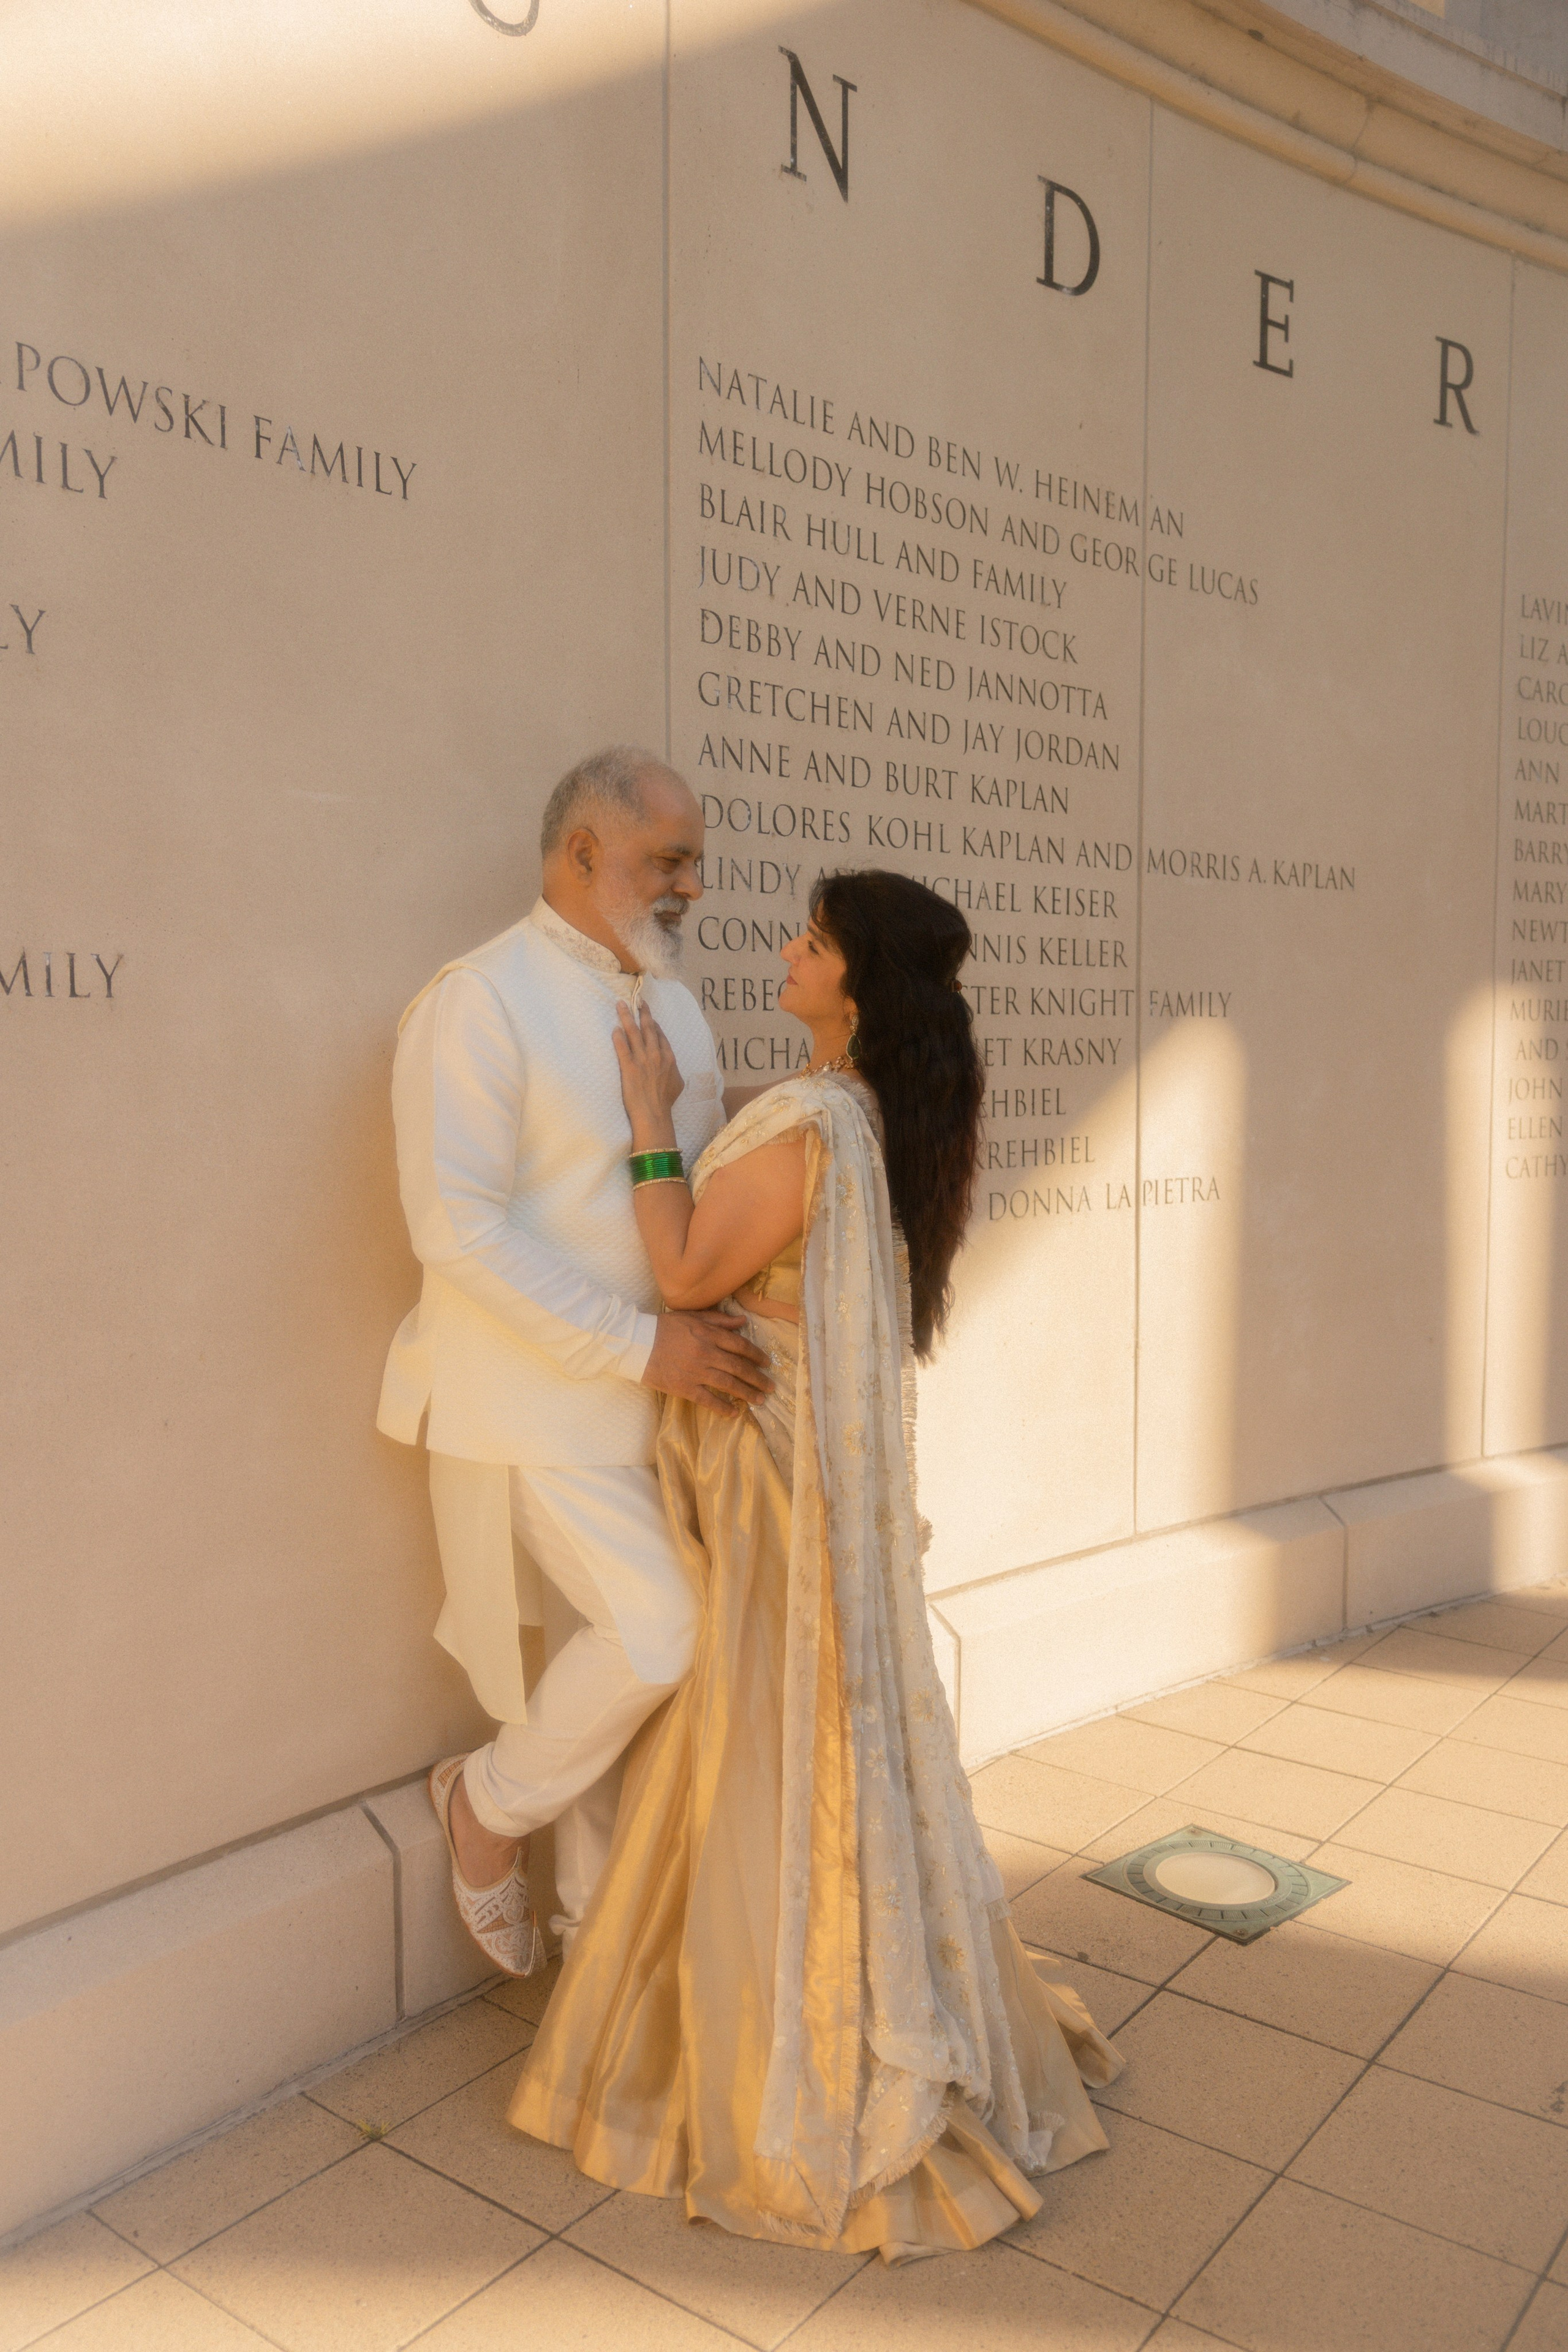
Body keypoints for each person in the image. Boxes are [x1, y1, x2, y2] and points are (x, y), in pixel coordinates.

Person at [508, 869, 1121, 2260]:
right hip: (796, 1462)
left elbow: (680, 1275)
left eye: (811, 941)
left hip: (771, 1474)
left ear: (855, 984)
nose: (784, 953)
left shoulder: (812, 1122)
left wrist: (653, 1125)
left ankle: (785, 2032)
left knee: (767, 1748)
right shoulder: (869, 1113)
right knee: (785, 1741)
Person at [376, 746, 771, 1976]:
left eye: (695, 861)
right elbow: (454, 1225)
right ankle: (482, 1811)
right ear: (582, 851)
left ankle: (595, 1961)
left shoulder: (677, 1003)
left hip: (668, 1406)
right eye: (669, 859)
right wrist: (640, 1342)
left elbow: (689, 1201)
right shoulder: (476, 999)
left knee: (627, 1682)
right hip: (530, 1406)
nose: (691, 887)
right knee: (657, 1635)